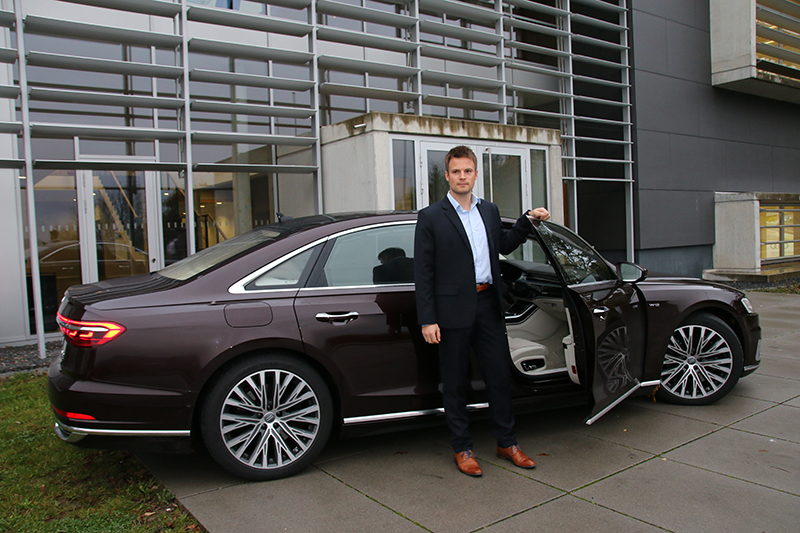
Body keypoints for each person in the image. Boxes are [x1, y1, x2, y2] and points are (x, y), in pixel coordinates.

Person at [414, 145, 550, 477]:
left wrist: (527, 221)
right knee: (456, 382)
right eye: (456, 171)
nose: (462, 176)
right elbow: (424, 271)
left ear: (476, 174)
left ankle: (507, 443)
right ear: (447, 176)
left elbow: (502, 245)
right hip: (450, 311)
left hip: (489, 305)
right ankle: (462, 448)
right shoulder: (431, 216)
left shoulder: (488, 210)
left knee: (499, 377)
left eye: (468, 171)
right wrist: (428, 319)